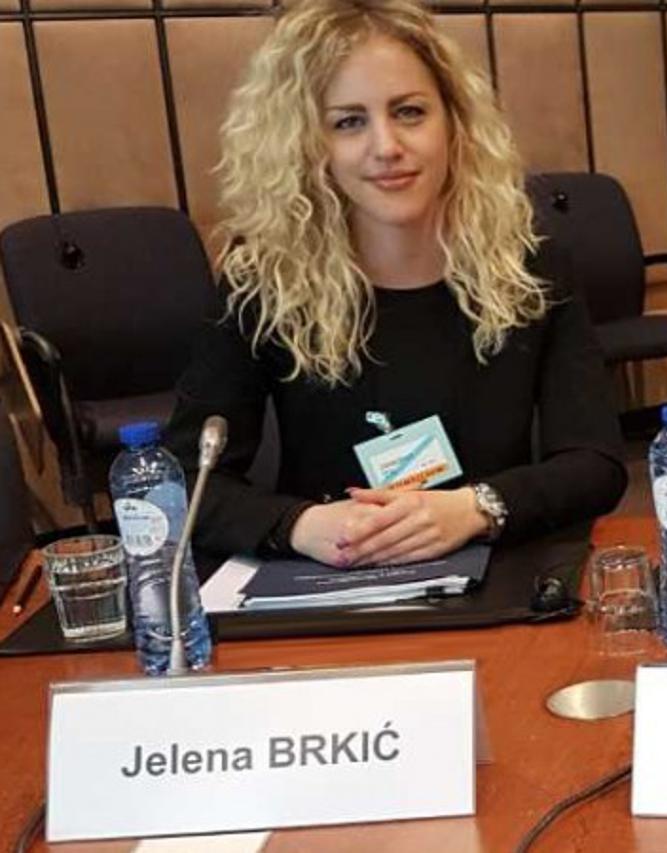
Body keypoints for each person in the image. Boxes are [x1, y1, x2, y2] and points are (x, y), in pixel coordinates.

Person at [168, 0, 626, 567]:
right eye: (348, 122)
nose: (386, 147)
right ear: (308, 144)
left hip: (498, 573)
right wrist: (298, 525)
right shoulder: (264, 283)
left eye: (409, 112)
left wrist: (476, 508)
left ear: (454, 122)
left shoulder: (532, 269)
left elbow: (595, 463)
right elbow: (181, 483)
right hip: (329, 579)